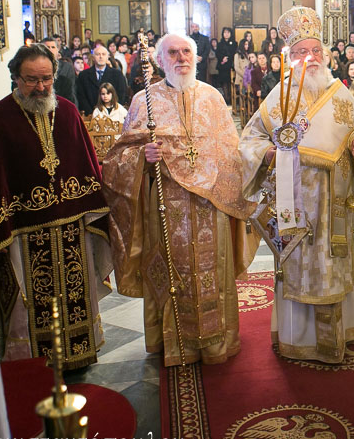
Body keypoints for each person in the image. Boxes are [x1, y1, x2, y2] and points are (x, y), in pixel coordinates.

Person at [103, 34, 255, 366]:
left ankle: (217, 341)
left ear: (196, 58)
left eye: (187, 51)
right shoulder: (144, 101)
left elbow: (232, 151)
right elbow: (117, 160)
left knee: (212, 272)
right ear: (160, 60)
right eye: (173, 52)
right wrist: (143, 156)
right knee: (171, 270)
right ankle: (174, 343)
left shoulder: (213, 97)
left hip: (210, 204)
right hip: (165, 205)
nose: (181, 58)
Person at [0, 44, 112, 369]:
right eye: (31, 80)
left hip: (71, 231)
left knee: (75, 296)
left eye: (46, 79)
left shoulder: (68, 113)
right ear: (16, 78)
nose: (41, 87)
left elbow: (87, 168)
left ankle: (77, 356)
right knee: (26, 306)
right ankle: (31, 367)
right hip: (20, 235)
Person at [239, 6, 354, 364]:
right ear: (289, 58)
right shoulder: (278, 98)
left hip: (333, 201)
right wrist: (268, 154)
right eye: (300, 52)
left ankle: (340, 335)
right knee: (298, 265)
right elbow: (249, 141)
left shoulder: (340, 94)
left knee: (333, 263)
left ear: (325, 55)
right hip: (294, 203)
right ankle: (298, 339)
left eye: (315, 50)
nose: (310, 58)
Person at [76, 44, 129, 115]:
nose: (101, 57)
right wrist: (92, 113)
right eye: (98, 54)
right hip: (90, 114)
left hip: (113, 114)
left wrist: (111, 112)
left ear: (108, 57)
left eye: (103, 54)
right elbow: (81, 96)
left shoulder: (117, 74)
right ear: (93, 57)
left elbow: (122, 95)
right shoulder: (83, 75)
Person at [41, 36, 77, 107]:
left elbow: (72, 90)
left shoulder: (67, 67)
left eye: (53, 47)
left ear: (58, 50)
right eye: (47, 47)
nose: (50, 50)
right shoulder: (37, 68)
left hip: (63, 103)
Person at [215, 26, 237, 101]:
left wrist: (227, 58)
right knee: (223, 82)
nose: (226, 34)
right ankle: (226, 98)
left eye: (228, 32)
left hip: (230, 65)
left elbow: (234, 53)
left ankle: (231, 98)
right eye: (225, 32)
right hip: (222, 66)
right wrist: (222, 58)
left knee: (230, 82)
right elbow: (217, 53)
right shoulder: (220, 43)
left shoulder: (234, 43)